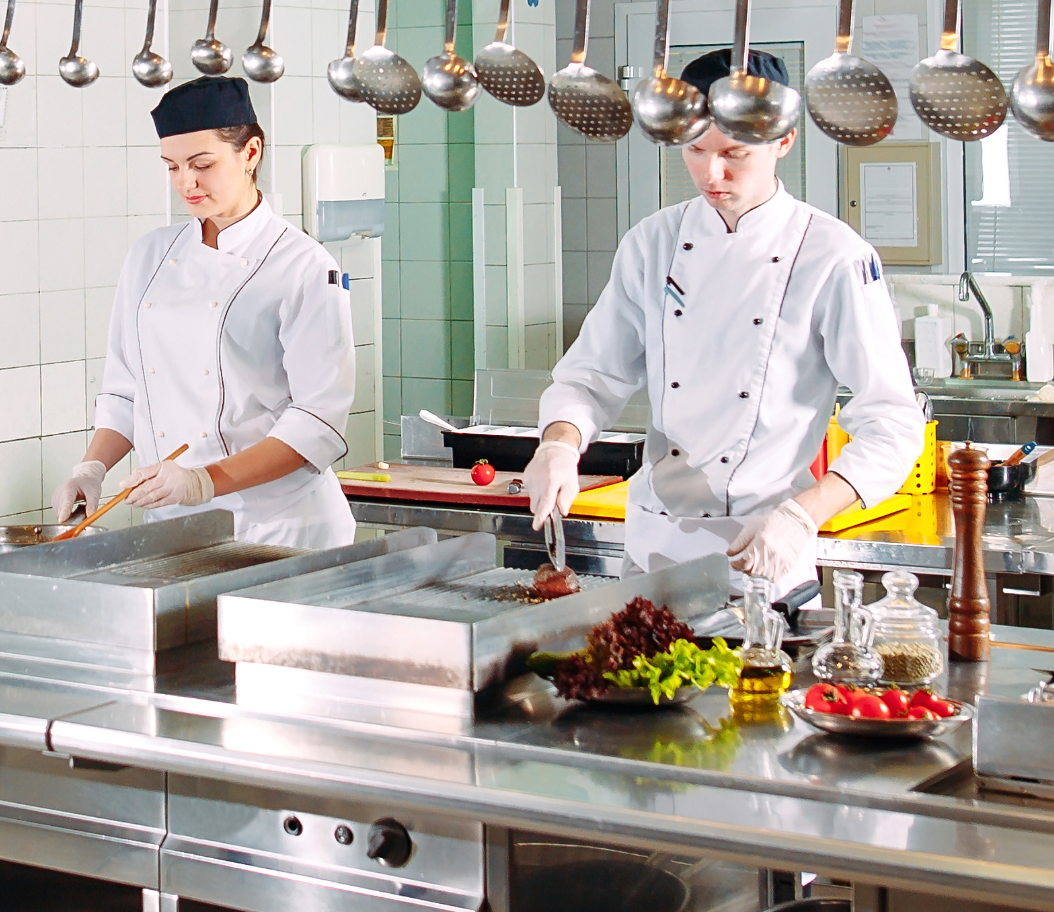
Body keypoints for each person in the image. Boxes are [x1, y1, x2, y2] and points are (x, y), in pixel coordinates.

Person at [524, 49, 925, 596]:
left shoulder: (834, 256)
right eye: (696, 150)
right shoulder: (652, 242)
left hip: (765, 548)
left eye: (734, 152)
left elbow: (894, 423)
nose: (712, 174)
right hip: (652, 549)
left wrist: (802, 517)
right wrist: (560, 445)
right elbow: (591, 376)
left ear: (784, 141)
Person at [51, 76, 357, 549]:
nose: (185, 183)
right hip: (176, 525)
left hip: (278, 526)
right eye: (171, 167)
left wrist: (204, 482)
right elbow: (128, 388)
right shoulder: (150, 255)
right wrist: (91, 467)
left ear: (251, 152)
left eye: (202, 164)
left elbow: (318, 420)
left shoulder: (303, 266)